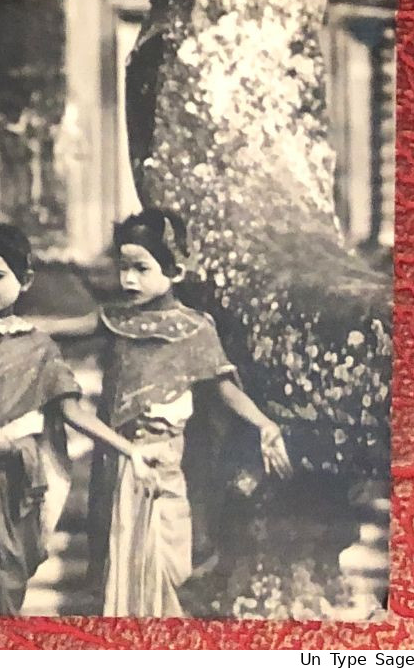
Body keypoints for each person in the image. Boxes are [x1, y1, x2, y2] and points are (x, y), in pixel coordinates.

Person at [0, 222, 157, 616]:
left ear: (25, 279)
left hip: (9, 490)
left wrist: (129, 451)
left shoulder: (38, 348)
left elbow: (71, 412)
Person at [85, 209, 290, 617]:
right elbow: (55, 330)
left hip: (169, 467)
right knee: (123, 569)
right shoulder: (112, 321)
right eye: (123, 268)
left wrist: (265, 425)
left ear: (174, 270)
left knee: (172, 567)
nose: (128, 280)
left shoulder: (195, 330)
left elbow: (224, 389)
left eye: (141, 268)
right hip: (119, 464)